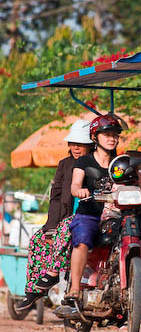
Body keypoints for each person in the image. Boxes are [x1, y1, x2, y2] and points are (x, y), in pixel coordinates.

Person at [17, 120, 93, 311]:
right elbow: (56, 197)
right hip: (64, 217)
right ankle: (33, 290)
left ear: (91, 144)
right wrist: (50, 227)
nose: (76, 147)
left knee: (66, 227)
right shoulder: (65, 164)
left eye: (80, 144)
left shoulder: (98, 162)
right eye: (73, 143)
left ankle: (52, 273)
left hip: (86, 216)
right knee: (37, 240)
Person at [65, 114, 122, 302]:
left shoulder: (121, 162)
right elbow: (74, 185)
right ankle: (74, 288)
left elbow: (140, 182)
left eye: (115, 134)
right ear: (95, 137)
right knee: (81, 240)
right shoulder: (84, 162)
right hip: (89, 214)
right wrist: (79, 191)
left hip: (116, 214)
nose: (112, 138)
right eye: (107, 134)